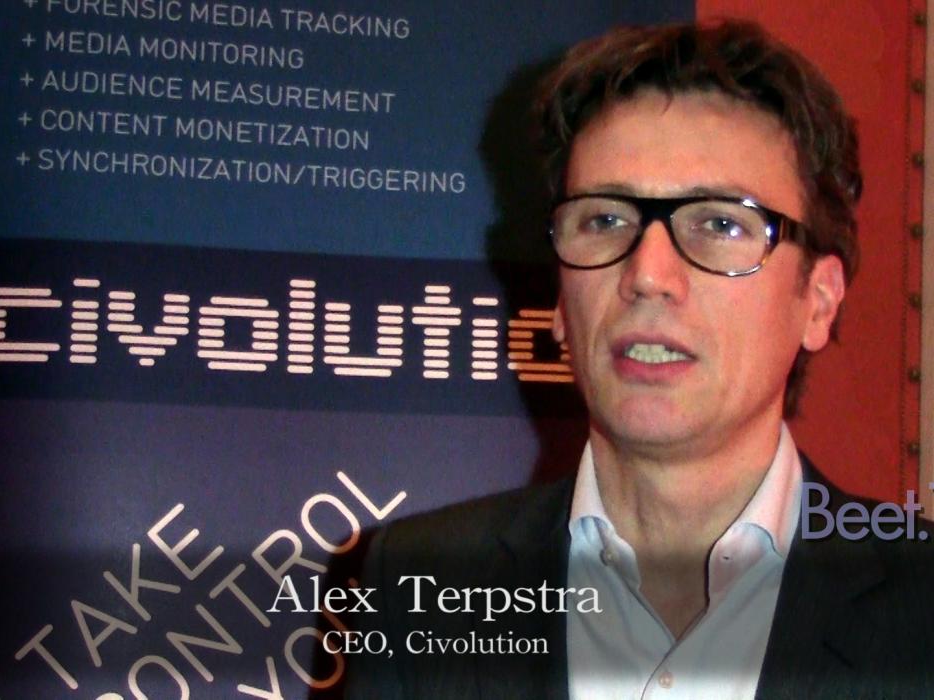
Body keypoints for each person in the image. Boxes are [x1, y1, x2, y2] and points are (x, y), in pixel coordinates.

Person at [343, 19, 934, 699]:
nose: (648, 274)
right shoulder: (422, 585)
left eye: (720, 223)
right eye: (604, 220)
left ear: (819, 302)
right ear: (560, 301)